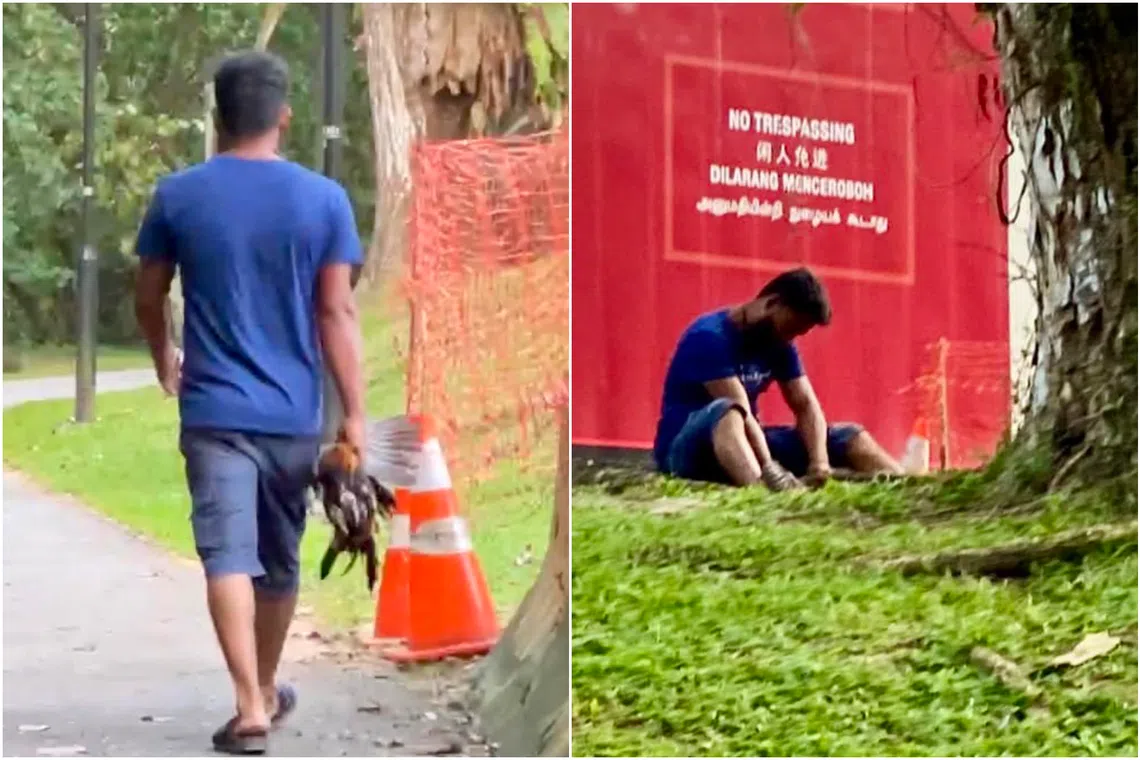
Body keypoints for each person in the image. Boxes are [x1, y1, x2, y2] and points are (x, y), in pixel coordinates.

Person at [133, 51, 366, 755]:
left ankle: (250, 704)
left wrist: (163, 357)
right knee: (278, 560)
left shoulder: (178, 195)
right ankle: (262, 687)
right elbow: (336, 311)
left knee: (226, 555)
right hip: (293, 416)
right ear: (283, 117)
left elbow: (148, 294)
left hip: (213, 414)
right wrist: (355, 414)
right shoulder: (324, 199)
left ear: (219, 116)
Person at [653, 267, 903, 490]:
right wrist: (769, 468)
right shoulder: (708, 337)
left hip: (746, 444)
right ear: (772, 303)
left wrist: (819, 463)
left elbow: (805, 404)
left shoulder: (780, 343)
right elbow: (743, 412)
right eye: (791, 328)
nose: (791, 338)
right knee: (729, 411)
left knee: (850, 437)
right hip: (685, 449)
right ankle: (760, 493)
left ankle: (906, 487)